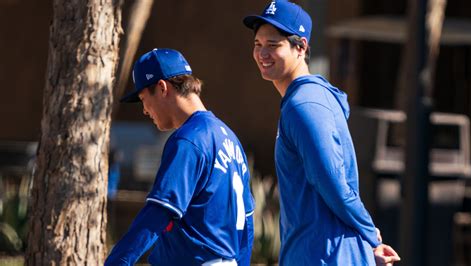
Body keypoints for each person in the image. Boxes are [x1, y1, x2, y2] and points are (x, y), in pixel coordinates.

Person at [242, 1, 401, 265]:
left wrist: (370, 234)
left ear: (301, 47)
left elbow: (333, 182)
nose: (262, 53)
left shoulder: (304, 105)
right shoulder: (310, 99)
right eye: (258, 44)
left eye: (273, 44)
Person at [105, 48, 255, 266]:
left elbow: (159, 212)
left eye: (143, 99)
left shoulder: (188, 139)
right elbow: (247, 222)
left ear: (162, 88)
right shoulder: (229, 137)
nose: (145, 111)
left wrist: (117, 262)